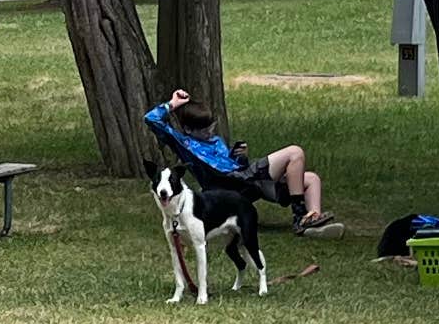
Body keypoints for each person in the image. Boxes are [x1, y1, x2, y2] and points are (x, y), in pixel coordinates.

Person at [145, 85, 339, 238]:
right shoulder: (185, 144)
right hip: (229, 182)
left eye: (211, 126)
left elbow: (234, 163)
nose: (210, 132)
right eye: (203, 129)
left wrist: (240, 156)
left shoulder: (216, 141)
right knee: (295, 152)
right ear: (188, 130)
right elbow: (152, 119)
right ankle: (299, 218)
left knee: (311, 179)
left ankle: (311, 219)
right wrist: (173, 103)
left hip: (245, 182)